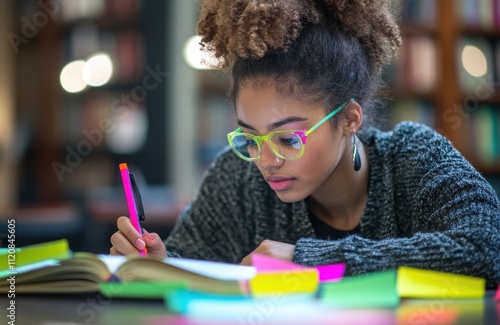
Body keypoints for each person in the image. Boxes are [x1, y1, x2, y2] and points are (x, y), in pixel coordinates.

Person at [110, 0, 500, 288]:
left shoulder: (414, 159)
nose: (266, 160)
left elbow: (486, 247)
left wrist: (309, 260)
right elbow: (192, 265)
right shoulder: (237, 177)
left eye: (287, 138)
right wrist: (160, 263)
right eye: (250, 136)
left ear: (349, 119)